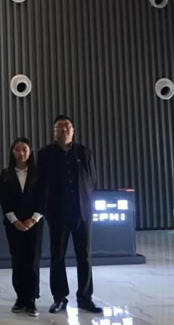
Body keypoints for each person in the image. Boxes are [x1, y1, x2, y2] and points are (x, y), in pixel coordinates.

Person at [37, 115, 103, 314]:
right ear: (54, 131)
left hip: (82, 213)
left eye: (67, 126)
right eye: (59, 126)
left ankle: (85, 297)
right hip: (57, 214)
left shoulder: (84, 152)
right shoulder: (45, 154)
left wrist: (87, 204)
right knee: (57, 256)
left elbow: (92, 180)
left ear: (73, 130)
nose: (64, 129)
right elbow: (41, 184)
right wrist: (47, 211)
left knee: (85, 256)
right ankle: (59, 298)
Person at [0, 137, 44, 318]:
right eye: (17, 149)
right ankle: (20, 298)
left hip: (35, 224)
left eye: (24, 149)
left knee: (32, 261)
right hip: (13, 224)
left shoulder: (39, 173)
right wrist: (15, 221)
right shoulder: (6, 174)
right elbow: (4, 200)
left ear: (30, 151)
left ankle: (31, 299)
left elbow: (44, 198)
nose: (21, 153)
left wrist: (33, 219)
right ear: (12, 152)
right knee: (17, 261)